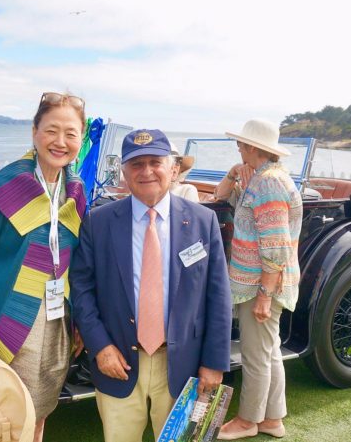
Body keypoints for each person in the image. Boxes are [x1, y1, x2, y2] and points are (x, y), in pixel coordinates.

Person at [70, 128, 232, 442]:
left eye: (155, 162)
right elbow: (82, 289)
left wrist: (214, 362)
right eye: (136, 164)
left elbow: (218, 297)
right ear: (124, 174)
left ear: (173, 169)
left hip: (183, 366)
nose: (146, 171)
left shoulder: (203, 221)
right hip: (117, 363)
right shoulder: (98, 222)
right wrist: (100, 346)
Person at [0, 92, 87, 442]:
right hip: (11, 320)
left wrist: (77, 322)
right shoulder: (6, 185)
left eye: (71, 133)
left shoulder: (75, 190)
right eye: (51, 130)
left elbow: (74, 263)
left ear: (81, 138)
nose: (60, 142)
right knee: (4, 412)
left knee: (40, 409)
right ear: (34, 132)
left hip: (56, 320)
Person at [214, 119, 302, 440]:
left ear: (254, 147)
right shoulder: (260, 179)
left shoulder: (268, 183)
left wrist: (264, 293)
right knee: (268, 350)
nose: (238, 147)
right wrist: (233, 174)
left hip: (259, 285)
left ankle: (248, 420)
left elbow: (276, 244)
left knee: (255, 355)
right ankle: (272, 419)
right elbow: (222, 196)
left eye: (241, 144)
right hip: (261, 282)